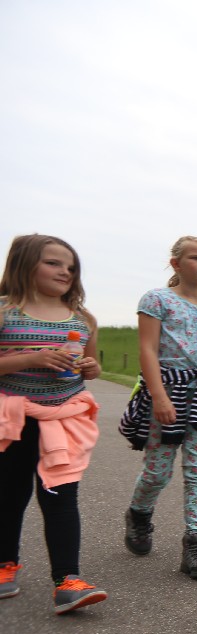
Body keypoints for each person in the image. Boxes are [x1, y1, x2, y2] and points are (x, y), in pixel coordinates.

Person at [119, 236, 197, 579]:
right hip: (166, 392)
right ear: (175, 263)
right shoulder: (157, 300)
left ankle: (196, 545)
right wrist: (159, 396)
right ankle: (139, 514)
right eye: (196, 258)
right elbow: (147, 349)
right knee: (157, 473)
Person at [0, 234, 108, 614]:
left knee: (61, 497)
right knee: (9, 495)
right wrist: (32, 358)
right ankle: (5, 566)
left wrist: (91, 368)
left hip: (63, 420)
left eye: (71, 266)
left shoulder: (82, 319)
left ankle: (68, 581)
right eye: (53, 263)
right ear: (24, 263)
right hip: (14, 420)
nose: (65, 271)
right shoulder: (5, 312)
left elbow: (91, 367)